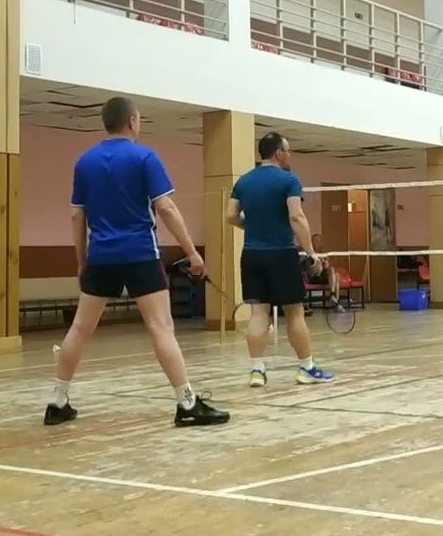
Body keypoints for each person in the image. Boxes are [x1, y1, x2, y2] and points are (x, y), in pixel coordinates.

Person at [47, 97, 228, 427]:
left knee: (80, 328)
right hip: (141, 253)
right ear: (132, 121)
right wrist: (192, 252)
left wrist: (81, 261)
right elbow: (166, 208)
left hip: (100, 256)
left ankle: (58, 402)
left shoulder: (85, 162)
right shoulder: (145, 157)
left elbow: (77, 215)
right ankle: (187, 404)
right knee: (161, 327)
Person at [227, 132, 335, 388]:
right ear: (278, 153)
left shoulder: (243, 181)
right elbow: (296, 216)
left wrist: (251, 226)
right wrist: (311, 252)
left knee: (258, 312)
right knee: (295, 312)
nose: (290, 154)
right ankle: (307, 368)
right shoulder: (290, 180)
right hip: (281, 254)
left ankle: (257, 371)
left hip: (251, 255)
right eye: (287, 150)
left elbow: (230, 215)